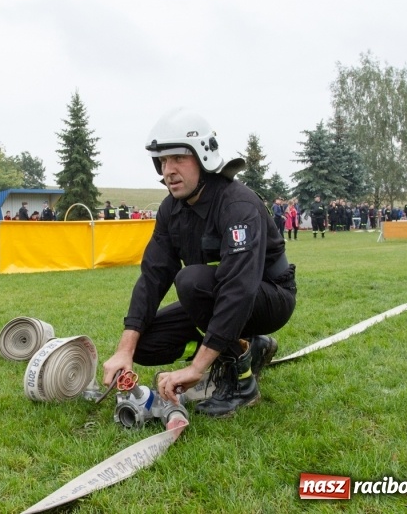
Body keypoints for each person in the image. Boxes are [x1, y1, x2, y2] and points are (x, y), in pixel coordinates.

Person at [102, 108, 296, 418]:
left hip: (269, 296)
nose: (169, 170)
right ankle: (248, 346)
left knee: (191, 281)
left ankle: (241, 381)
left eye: (178, 158)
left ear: (204, 156)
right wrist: (125, 349)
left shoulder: (238, 204)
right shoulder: (170, 210)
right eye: (163, 161)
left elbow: (239, 289)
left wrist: (196, 368)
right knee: (145, 344)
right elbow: (153, 277)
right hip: (216, 295)